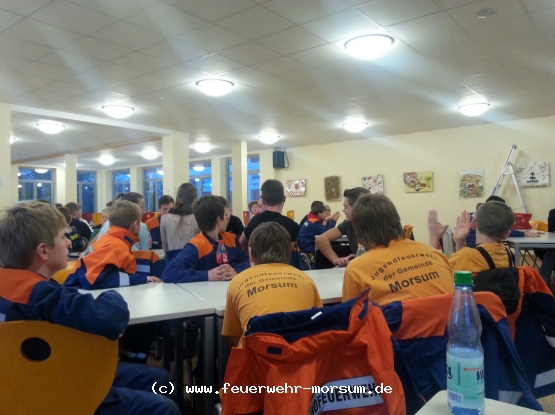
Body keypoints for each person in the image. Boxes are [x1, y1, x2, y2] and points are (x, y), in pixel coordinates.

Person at [0, 201, 180, 415]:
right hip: (58, 389)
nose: (69, 242)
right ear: (43, 251)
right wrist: (112, 296)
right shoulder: (39, 294)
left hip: (15, 386)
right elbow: (110, 318)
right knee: (163, 403)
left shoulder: (14, 285)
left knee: (159, 379)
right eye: (63, 237)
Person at [222, 222, 322, 346]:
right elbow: (319, 323)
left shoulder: (237, 282)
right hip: (300, 353)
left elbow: (234, 336)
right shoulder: (306, 280)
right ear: (289, 252)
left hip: (257, 355)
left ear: (251, 254)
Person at [342, 194, 453, 306]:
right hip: (447, 317)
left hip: (396, 318)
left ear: (359, 230)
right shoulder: (436, 255)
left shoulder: (356, 269)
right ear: (397, 220)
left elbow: (351, 313)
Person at [65, 200, 162, 289]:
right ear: (135, 225)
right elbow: (95, 279)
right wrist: (141, 279)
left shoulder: (111, 240)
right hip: (78, 293)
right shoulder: (116, 246)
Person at [162, 196, 250, 283]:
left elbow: (249, 260)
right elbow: (169, 273)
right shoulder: (196, 245)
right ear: (218, 220)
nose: (227, 218)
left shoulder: (232, 239)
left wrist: (236, 270)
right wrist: (207, 275)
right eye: (224, 215)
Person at [429, 202, 515, 272]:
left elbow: (433, 272)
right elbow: (464, 265)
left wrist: (434, 238)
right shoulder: (507, 254)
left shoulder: (468, 256)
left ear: (473, 224)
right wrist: (460, 241)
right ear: (507, 234)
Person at [315, 187, 370, 267]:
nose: (343, 210)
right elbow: (321, 239)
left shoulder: (378, 225)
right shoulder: (348, 224)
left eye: (345, 207)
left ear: (357, 208)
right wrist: (336, 260)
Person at [240, 180, 299, 250]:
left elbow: (242, 243)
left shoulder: (254, 221)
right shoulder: (292, 225)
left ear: (263, 201)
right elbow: (289, 250)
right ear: (284, 199)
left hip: (258, 256)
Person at [85, 192, 150, 253]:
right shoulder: (141, 226)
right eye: (142, 207)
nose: (145, 210)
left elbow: (92, 248)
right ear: (133, 207)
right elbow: (145, 254)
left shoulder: (107, 224)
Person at [465, 195, 538, 248]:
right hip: (477, 250)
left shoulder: (476, 217)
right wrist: (524, 234)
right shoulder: (482, 219)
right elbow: (502, 230)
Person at [160, 183, 199, 259]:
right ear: (195, 199)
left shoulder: (165, 219)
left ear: (177, 197)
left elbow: (166, 249)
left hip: (172, 262)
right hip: (193, 261)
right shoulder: (197, 218)